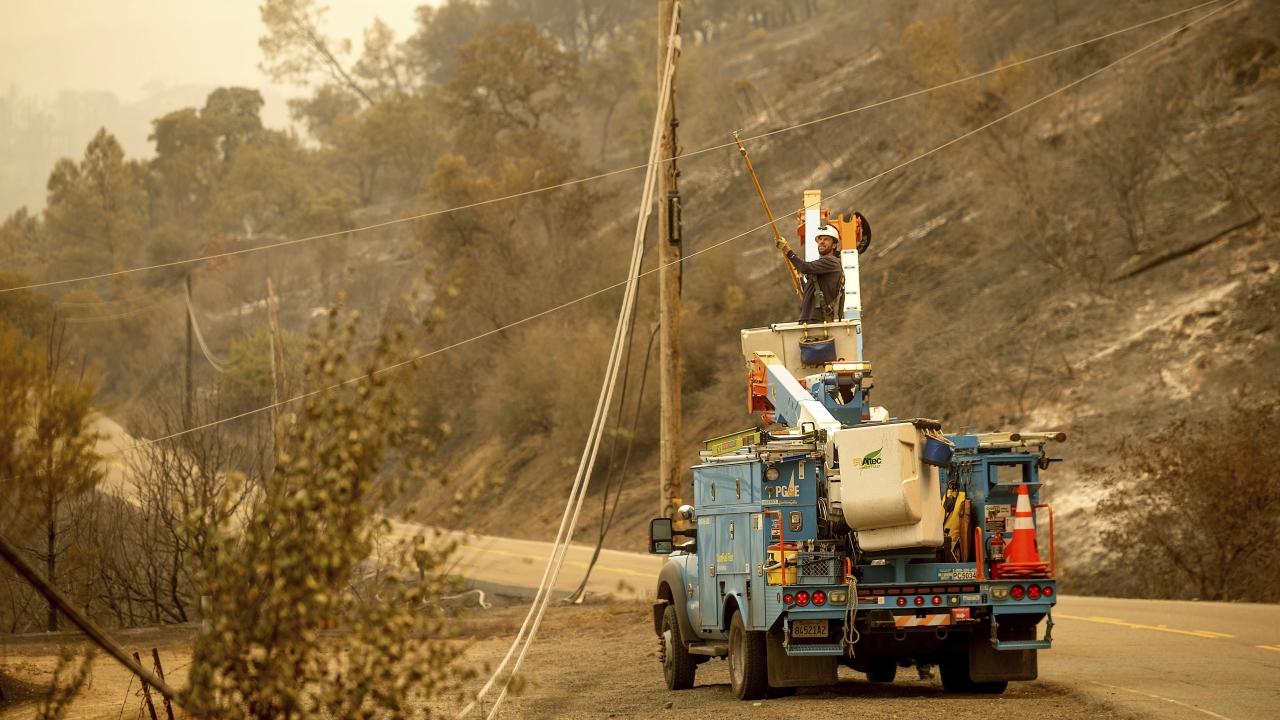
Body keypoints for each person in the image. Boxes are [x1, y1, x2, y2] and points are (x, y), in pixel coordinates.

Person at [777, 225, 842, 324]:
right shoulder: (821, 268)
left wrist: (787, 250)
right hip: (809, 319)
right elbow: (809, 290)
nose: (822, 242)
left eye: (826, 239)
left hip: (818, 320)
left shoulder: (831, 262)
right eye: (820, 239)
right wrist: (800, 278)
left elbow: (805, 267)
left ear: (834, 245)